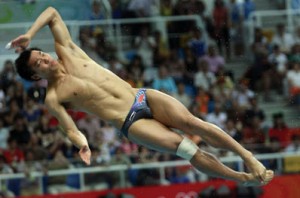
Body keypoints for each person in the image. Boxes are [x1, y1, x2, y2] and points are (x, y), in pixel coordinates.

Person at [10, 7, 273, 186]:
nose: (45, 59)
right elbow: (69, 128)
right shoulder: (54, 96)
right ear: (36, 76)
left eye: (41, 54)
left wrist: (29, 35)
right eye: (39, 64)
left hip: (141, 96)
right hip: (131, 123)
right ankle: (241, 178)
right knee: (188, 150)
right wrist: (83, 143)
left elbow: (52, 13)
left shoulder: (67, 50)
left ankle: (248, 157)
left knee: (195, 124)